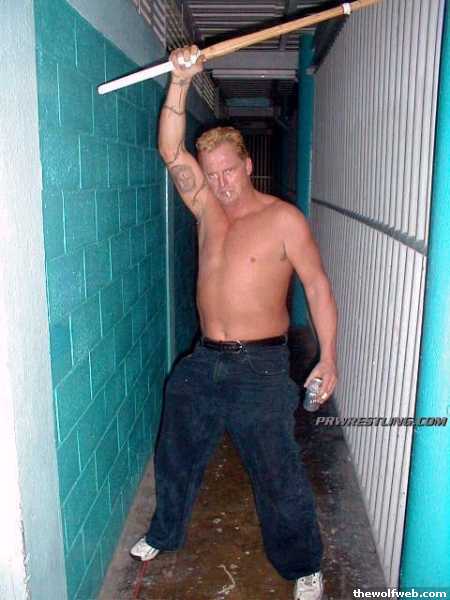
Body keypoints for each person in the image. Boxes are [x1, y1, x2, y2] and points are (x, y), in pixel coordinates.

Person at [130, 45, 338, 600]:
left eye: (228, 171)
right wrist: (181, 80)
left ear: (247, 166)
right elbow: (170, 149)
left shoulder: (283, 220)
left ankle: (304, 565)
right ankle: (164, 533)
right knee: (175, 451)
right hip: (205, 360)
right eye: (212, 174)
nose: (220, 183)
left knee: (277, 472)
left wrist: (329, 356)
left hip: (261, 367)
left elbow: (317, 286)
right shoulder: (206, 210)